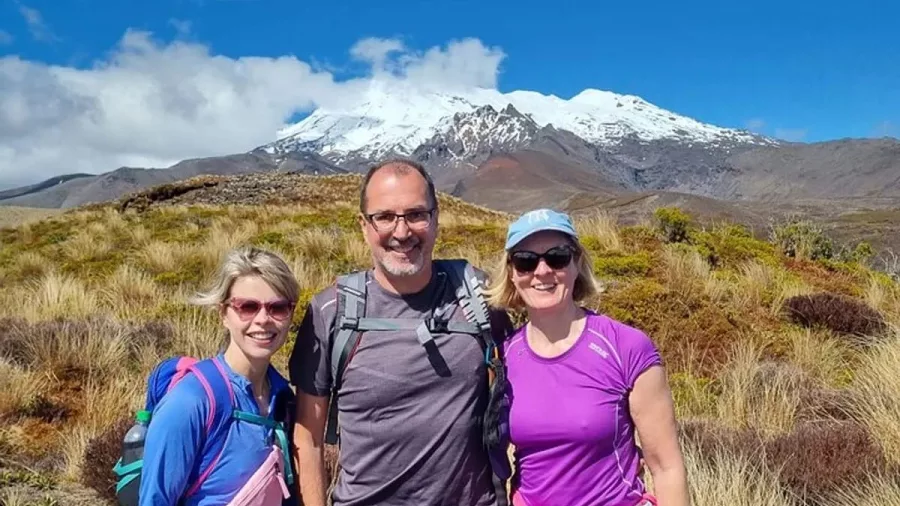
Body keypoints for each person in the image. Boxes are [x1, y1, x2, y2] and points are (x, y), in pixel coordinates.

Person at [289, 159, 515, 506]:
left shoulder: (478, 296)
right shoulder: (330, 312)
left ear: (436, 219)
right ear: (363, 225)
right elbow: (309, 437)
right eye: (384, 216)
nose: (402, 232)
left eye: (416, 214)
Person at [485, 209, 690, 506]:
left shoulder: (627, 347)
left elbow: (666, 467)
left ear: (577, 263)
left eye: (557, 257)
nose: (542, 272)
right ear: (512, 273)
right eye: (526, 260)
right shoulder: (504, 355)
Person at [137, 246, 301, 505]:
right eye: (247, 307)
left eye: (277, 308)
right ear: (223, 313)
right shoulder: (191, 401)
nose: (263, 320)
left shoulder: (283, 398)